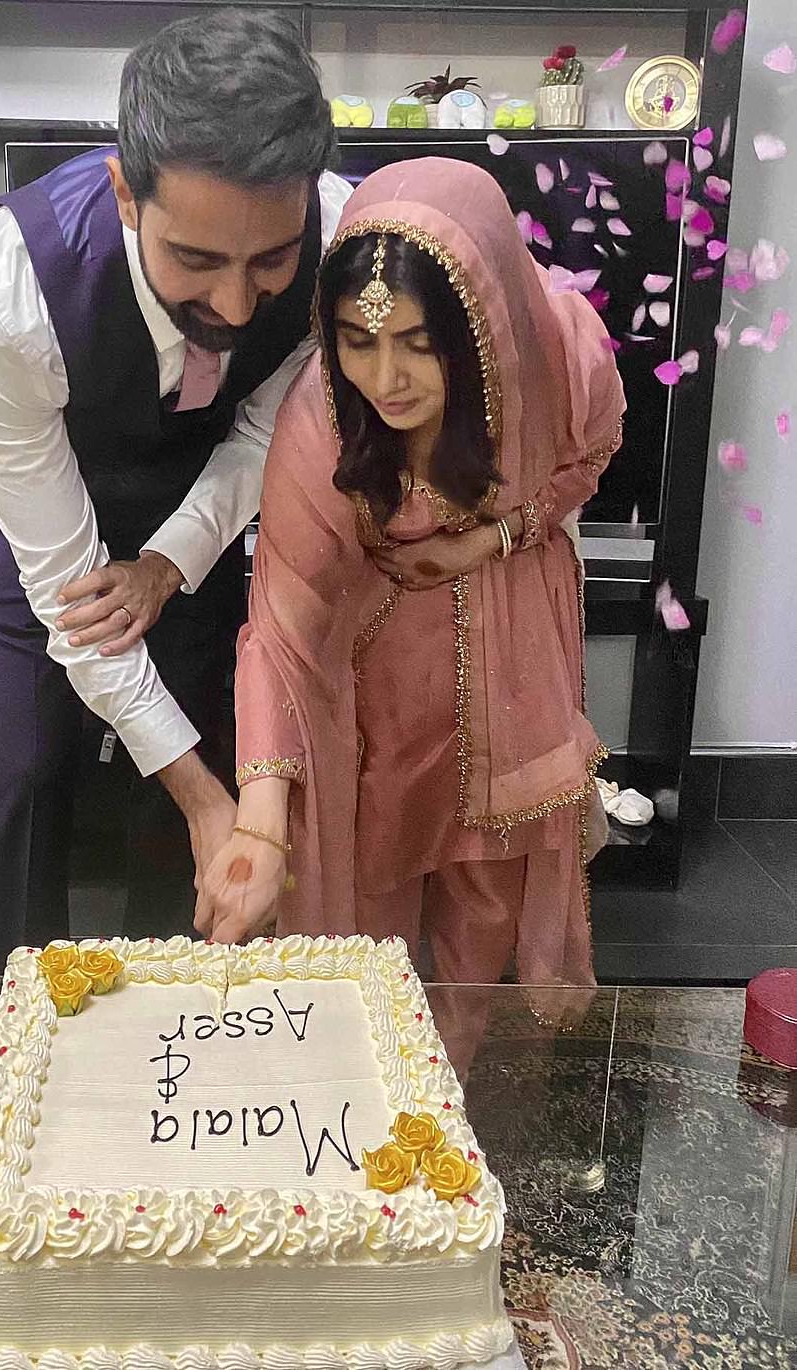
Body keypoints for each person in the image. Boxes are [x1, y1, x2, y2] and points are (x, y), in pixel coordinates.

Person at [0, 11, 351, 974]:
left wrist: (172, 561)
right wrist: (210, 803)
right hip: (37, 508)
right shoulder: (11, 295)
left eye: (270, 260)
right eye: (199, 261)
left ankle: (172, 988)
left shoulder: (341, 233)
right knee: (35, 755)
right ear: (128, 193)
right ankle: (23, 998)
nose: (237, 305)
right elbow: (75, 604)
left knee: (193, 721)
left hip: (203, 500)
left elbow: (267, 428)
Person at [197, 159, 625, 1020]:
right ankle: (377, 1133)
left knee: (481, 942)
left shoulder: (557, 353)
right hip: (380, 722)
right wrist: (262, 819)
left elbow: (585, 461)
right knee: (370, 959)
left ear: (483, 331)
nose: (384, 379)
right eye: (358, 338)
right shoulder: (321, 423)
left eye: (419, 344)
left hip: (514, 700)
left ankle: (449, 1131)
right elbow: (283, 625)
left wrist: (493, 538)